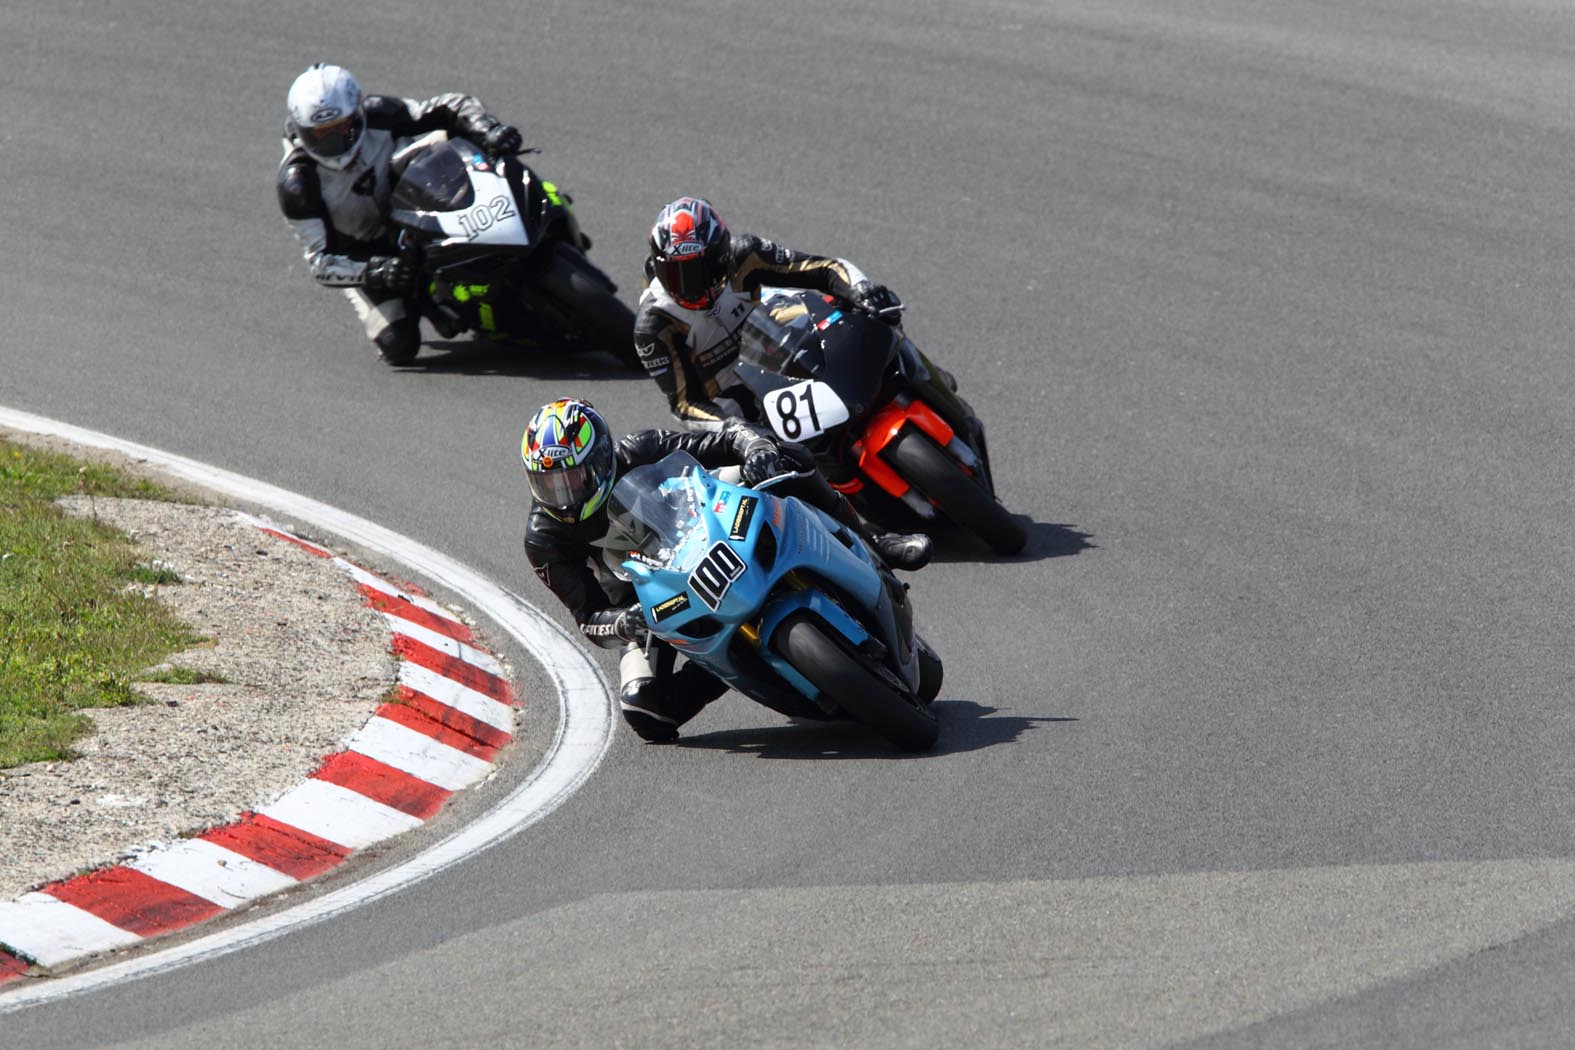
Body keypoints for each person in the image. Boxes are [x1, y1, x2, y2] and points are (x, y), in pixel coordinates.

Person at [520, 397, 931, 743]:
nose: (564, 495)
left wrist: (756, 451)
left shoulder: (640, 449)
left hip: (704, 527)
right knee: (646, 711)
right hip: (653, 603)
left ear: (601, 459)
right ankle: (728, 667)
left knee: (788, 459)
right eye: (550, 483)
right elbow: (588, 616)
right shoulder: (544, 538)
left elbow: (727, 437)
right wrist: (624, 623)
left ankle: (875, 541)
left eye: (572, 479)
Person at [276, 63, 526, 365]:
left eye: (341, 129)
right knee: (398, 345)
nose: (332, 142)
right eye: (320, 135)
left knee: (452, 139)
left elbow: (451, 106)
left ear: (357, 115)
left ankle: (527, 204)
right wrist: (375, 271)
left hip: (419, 207)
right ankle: (427, 302)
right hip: (368, 254)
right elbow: (320, 262)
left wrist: (489, 129)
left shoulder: (381, 113)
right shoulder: (298, 184)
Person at [634, 196, 913, 430]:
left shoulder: (745, 255)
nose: (690, 286)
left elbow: (825, 269)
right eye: (677, 274)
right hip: (732, 391)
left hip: (774, 338)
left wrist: (862, 290)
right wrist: (732, 429)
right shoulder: (654, 325)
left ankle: (916, 371)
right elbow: (685, 404)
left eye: (700, 271)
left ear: (721, 254)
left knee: (862, 310)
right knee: (745, 468)